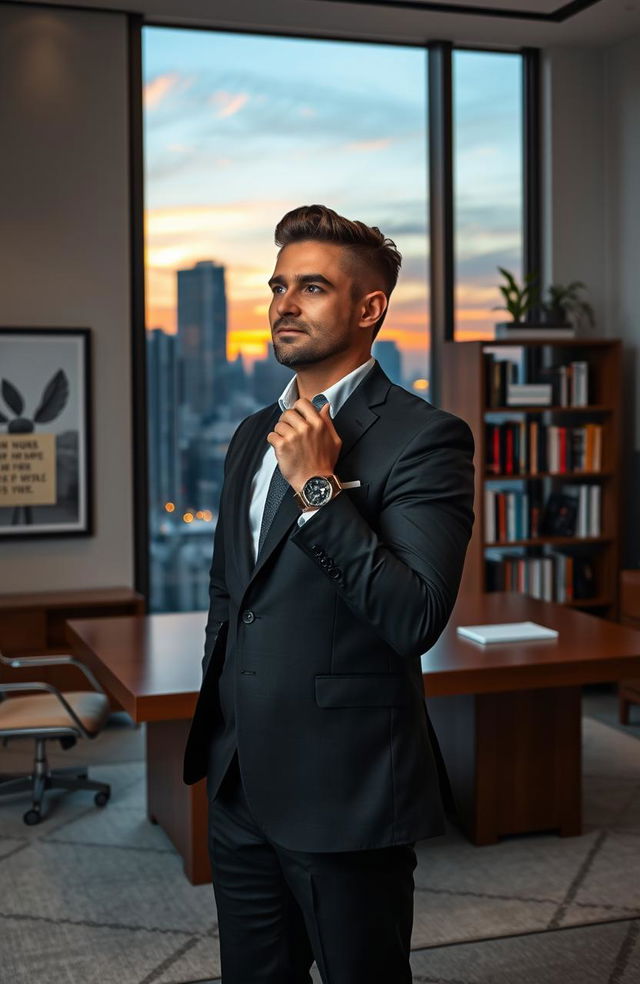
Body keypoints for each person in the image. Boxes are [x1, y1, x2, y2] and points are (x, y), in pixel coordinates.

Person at [183, 204, 475, 983]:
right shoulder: (251, 432)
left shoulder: (427, 438)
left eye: (311, 286)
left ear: (369, 308)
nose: (283, 302)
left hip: (346, 789)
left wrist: (319, 487)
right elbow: (230, 590)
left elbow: (413, 614)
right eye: (279, 285)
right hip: (240, 776)